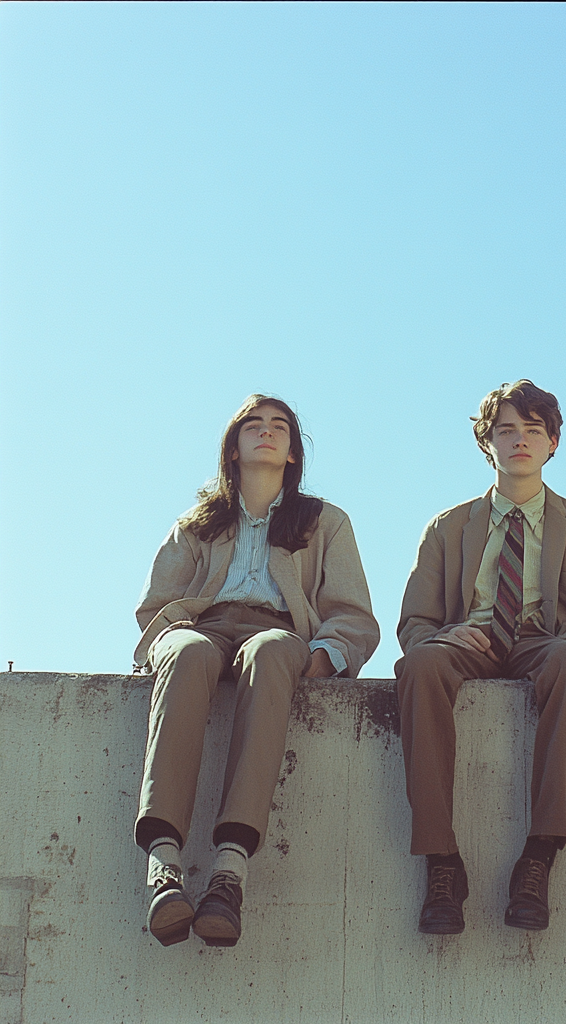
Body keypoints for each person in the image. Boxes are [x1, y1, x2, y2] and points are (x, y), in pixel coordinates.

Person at [133, 394, 379, 947]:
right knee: (188, 652)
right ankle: (164, 868)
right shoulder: (197, 523)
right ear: (234, 445)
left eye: (279, 427)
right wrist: (169, 638)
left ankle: (228, 872)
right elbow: (156, 607)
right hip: (204, 627)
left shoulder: (324, 522)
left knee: (270, 650)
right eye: (253, 424)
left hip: (279, 632)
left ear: (293, 452)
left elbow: (353, 614)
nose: (266, 433)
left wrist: (323, 656)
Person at [396, 379, 566, 935]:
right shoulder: (448, 527)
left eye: (533, 430)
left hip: (543, 644)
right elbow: (413, 623)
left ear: (553, 444)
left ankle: (539, 855)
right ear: (487, 444)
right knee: (419, 666)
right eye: (506, 431)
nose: (520, 440)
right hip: (466, 641)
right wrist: (445, 636)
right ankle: (441, 861)